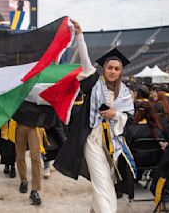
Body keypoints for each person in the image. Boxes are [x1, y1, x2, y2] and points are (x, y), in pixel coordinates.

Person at [54, 21, 136, 213]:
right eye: (110, 68)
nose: (113, 71)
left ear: (121, 71)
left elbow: (128, 119)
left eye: (117, 69)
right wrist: (80, 35)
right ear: (104, 68)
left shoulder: (124, 93)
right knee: (102, 183)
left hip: (113, 145)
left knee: (107, 181)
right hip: (93, 140)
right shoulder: (94, 83)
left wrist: (115, 114)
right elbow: (84, 59)